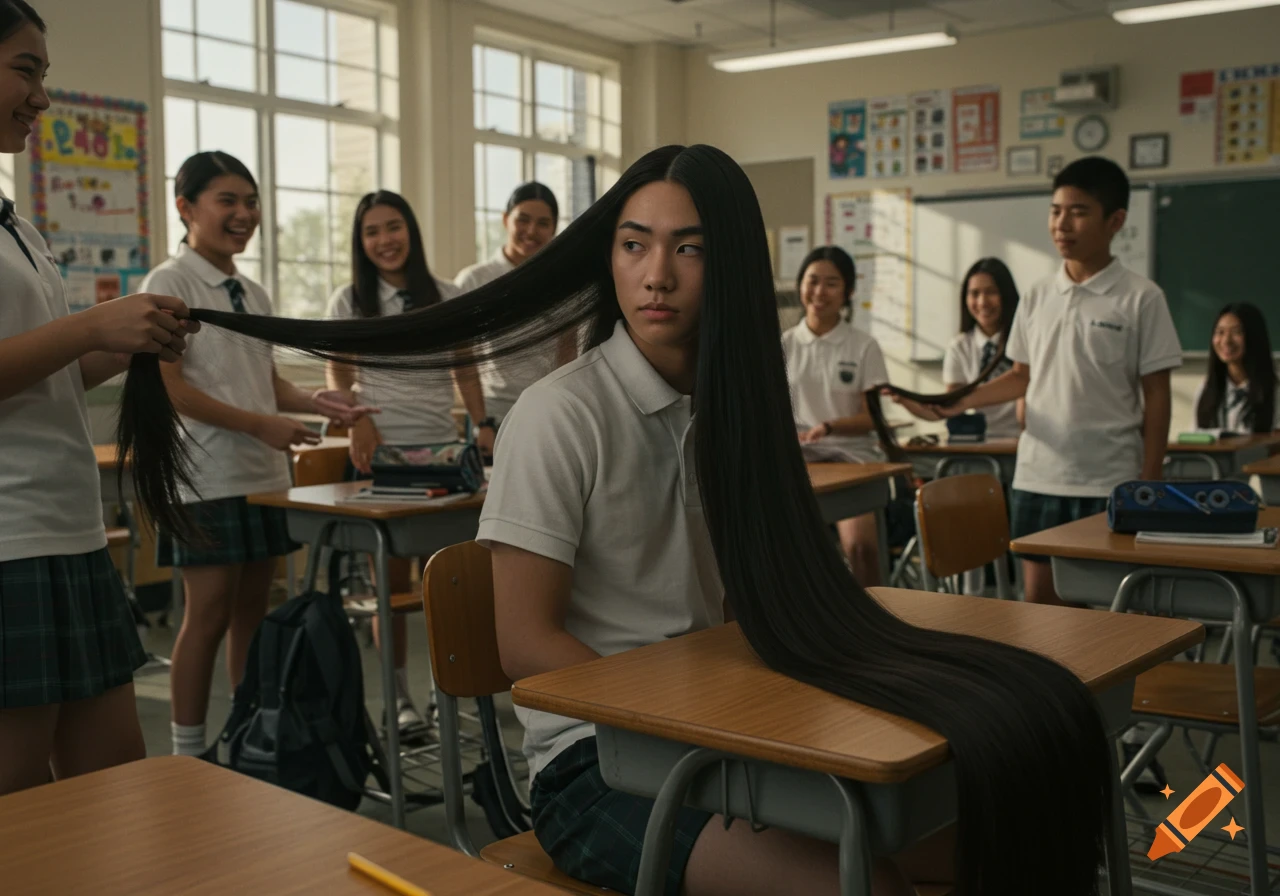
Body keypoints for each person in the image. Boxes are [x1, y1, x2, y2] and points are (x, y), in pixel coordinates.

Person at [119, 145, 1117, 896]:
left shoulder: (734, 402)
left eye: (686, 249)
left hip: (733, 729)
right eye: (633, 246)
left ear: (721, 263)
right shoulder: (565, 414)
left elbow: (757, 594)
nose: (655, 274)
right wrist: (716, 718)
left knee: (995, 813)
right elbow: (526, 645)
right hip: (601, 768)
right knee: (868, 881)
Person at [0, 0, 200, 793]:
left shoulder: (20, 229)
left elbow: (43, 374)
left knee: (115, 794)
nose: (42, 99)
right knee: (23, 814)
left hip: (67, 530)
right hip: (9, 543)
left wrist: (121, 347)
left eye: (43, 75)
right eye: (26, 70)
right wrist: (91, 328)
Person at [141, 151, 370, 758]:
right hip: (204, 478)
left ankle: (250, 737)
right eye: (228, 201)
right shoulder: (170, 284)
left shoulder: (254, 291)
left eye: (251, 201)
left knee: (252, 616)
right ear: (186, 208)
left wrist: (316, 402)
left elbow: (267, 384)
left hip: (260, 476)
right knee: (207, 616)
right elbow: (175, 392)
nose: (244, 214)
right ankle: (188, 752)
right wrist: (263, 426)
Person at [894, 157, 1182, 609]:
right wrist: (950, 404)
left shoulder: (1141, 297)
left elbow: (1157, 393)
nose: (1061, 223)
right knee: (1042, 614)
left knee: (1112, 615)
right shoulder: (1036, 296)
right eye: (1055, 210)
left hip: (1109, 480)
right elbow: (1020, 377)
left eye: (1078, 211)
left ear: (1116, 221)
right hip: (1038, 475)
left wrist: (1150, 477)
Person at [326, 190, 479, 738]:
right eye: (372, 232)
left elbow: (465, 369)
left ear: (409, 231)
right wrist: (356, 420)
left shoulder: (446, 293)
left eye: (393, 227)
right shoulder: (349, 299)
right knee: (388, 591)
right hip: (381, 460)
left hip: (442, 455)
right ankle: (398, 699)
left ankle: (445, 697)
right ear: (361, 242)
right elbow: (337, 373)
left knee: (445, 586)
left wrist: (482, 425)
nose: (384, 240)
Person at [782, 246, 889, 585]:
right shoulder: (782, 344)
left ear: (848, 292)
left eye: (831, 283)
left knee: (861, 549)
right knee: (784, 550)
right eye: (812, 281)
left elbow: (872, 417)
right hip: (799, 463)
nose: (819, 292)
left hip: (852, 460)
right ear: (800, 285)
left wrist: (829, 427)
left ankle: (874, 628)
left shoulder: (863, 345)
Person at [454, 182, 576, 455]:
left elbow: (568, 355)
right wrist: (480, 423)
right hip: (491, 418)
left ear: (554, 229)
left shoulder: (564, 285)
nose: (531, 231)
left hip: (547, 415)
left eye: (543, 223)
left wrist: (562, 413)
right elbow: (462, 360)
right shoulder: (474, 280)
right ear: (506, 219)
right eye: (523, 219)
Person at [942, 257, 1023, 440]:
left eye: (991, 292)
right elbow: (953, 405)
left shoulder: (1024, 340)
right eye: (974, 294)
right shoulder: (959, 346)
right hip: (976, 441)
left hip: (1019, 440)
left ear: (1006, 295)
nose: (982, 302)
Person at [1194, 302, 1278, 434]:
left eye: (1236, 332)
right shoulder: (1206, 390)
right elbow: (1195, 439)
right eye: (1220, 332)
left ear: (1254, 336)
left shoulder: (1275, 392)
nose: (1226, 340)